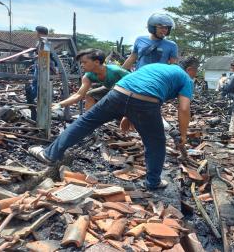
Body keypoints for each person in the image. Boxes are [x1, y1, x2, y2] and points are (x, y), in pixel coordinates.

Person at [29, 57, 200, 190]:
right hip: (145, 101)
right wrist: (183, 135)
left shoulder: (155, 67)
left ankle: (50, 154)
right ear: (190, 70)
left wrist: (128, 114)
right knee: (155, 142)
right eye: (195, 72)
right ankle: (153, 182)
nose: (195, 76)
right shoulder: (186, 78)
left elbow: (135, 89)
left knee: (86, 122)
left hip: (118, 92)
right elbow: (184, 109)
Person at [52, 49, 129, 111]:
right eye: (81, 62)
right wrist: (60, 104)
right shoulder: (88, 76)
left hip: (128, 92)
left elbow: (135, 82)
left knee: (114, 95)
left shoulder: (115, 70)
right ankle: (89, 121)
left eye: (84, 62)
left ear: (97, 62)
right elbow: (79, 95)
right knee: (90, 94)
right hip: (111, 89)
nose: (81, 65)